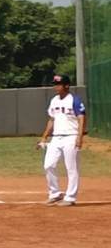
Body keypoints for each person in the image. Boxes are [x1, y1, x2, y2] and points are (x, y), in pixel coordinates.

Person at [39, 74, 86, 205]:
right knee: (48, 165)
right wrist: (44, 137)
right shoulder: (54, 100)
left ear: (66, 85)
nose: (56, 86)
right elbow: (52, 119)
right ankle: (55, 193)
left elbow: (81, 118)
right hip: (56, 138)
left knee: (71, 168)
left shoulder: (74, 100)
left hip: (71, 136)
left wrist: (79, 137)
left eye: (59, 84)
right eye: (55, 84)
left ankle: (70, 197)